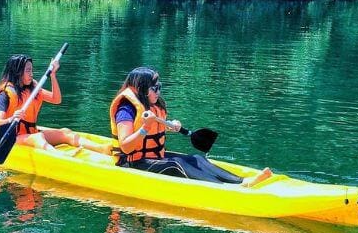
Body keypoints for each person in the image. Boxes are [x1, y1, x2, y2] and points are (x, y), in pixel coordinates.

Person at [109, 66, 273, 186]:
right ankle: (227, 189)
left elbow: (151, 129)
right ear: (142, 89)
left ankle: (242, 181)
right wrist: (145, 128)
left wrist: (167, 126)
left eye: (160, 87)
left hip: (152, 157)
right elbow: (126, 147)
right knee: (177, 165)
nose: (159, 91)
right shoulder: (126, 109)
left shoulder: (150, 104)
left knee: (197, 159)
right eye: (155, 88)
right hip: (131, 162)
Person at [0, 53, 109, 154]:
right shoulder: (5, 94)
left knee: (65, 132)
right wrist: (12, 118)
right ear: (17, 72)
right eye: (28, 70)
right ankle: (58, 156)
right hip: (12, 138)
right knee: (37, 137)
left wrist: (53, 75)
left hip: (31, 134)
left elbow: (56, 99)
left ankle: (101, 149)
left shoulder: (33, 89)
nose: (32, 74)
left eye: (31, 70)